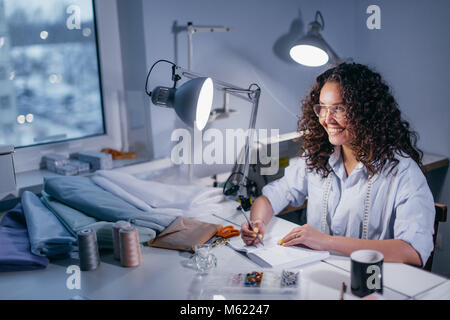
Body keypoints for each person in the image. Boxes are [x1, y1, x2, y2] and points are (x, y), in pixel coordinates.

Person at [241, 62, 435, 267]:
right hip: (320, 273)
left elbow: (412, 251)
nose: (327, 119)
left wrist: (327, 242)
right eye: (322, 108)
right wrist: (257, 223)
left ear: (366, 112)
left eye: (339, 108)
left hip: (371, 284)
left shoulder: (403, 172)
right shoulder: (319, 157)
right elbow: (270, 198)